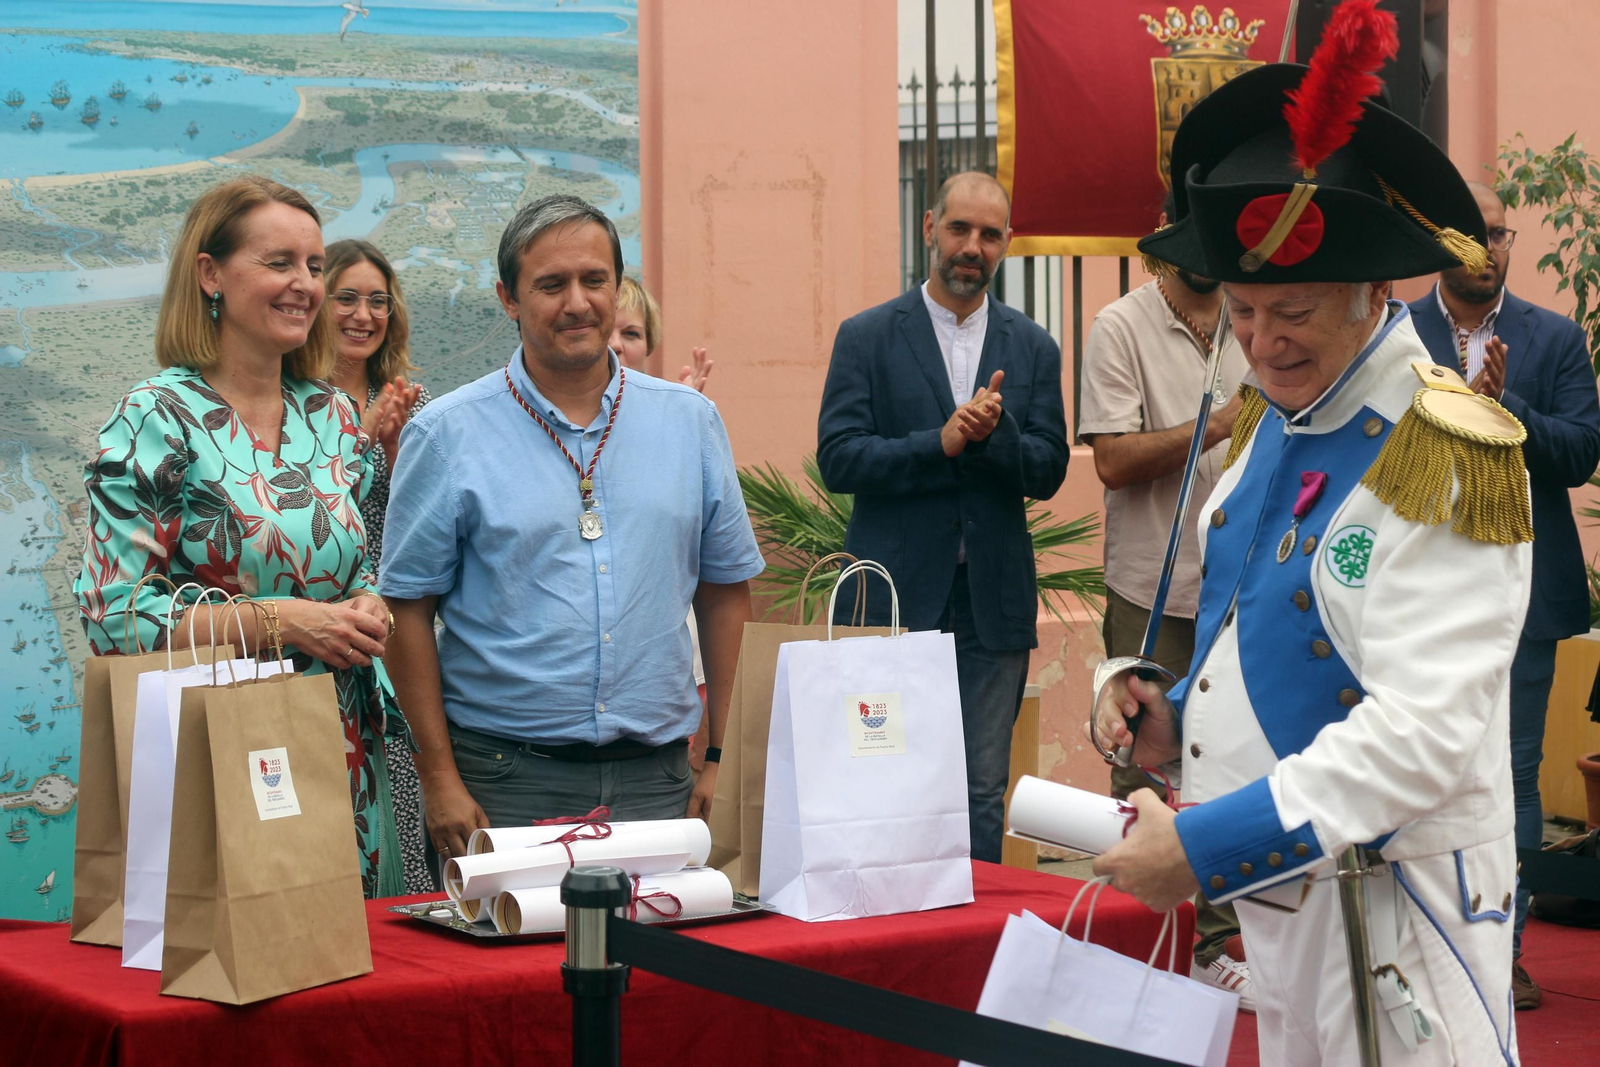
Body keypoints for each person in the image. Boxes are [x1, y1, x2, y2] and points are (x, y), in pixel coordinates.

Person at [1092, 12, 1531, 1061]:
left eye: (1290, 309)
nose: (1261, 341)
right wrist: (1166, 707)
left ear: (1371, 287)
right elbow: (1269, 640)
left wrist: (1206, 842)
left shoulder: (1444, 448)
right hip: (1291, 898)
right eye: (1241, 312)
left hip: (1401, 911)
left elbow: (1421, 729)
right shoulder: (1265, 432)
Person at [379, 195, 764, 865]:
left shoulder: (689, 423)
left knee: (660, 971)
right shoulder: (446, 435)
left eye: (594, 280)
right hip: (502, 782)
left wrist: (722, 757)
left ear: (619, 287)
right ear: (508, 297)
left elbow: (725, 591)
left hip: (660, 783)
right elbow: (406, 612)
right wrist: (437, 776)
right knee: (511, 971)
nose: (577, 303)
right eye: (551, 284)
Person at [74, 175, 408, 898]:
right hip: (218, 758)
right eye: (280, 262)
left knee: (356, 987)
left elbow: (343, 563)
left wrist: (364, 604)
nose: (305, 285)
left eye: (315, 267)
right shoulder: (156, 417)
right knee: (247, 966)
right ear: (210, 275)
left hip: (344, 753)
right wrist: (284, 622)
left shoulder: (331, 415)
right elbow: (114, 615)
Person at [816, 170, 1070, 864]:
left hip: (992, 606)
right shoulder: (866, 337)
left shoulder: (1033, 348)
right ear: (929, 227)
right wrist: (941, 442)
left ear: (1006, 245)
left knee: (982, 790)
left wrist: (996, 435)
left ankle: (972, 948)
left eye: (989, 235)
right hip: (894, 600)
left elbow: (1049, 468)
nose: (972, 246)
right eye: (960, 229)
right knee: (883, 784)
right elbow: (839, 458)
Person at [1407, 181, 1600, 1009]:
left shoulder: (1552, 340)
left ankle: (1504, 949)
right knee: (1422, 772)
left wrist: (1504, 404)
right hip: (1415, 593)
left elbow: (1582, 452)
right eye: (1475, 234)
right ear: (1445, 244)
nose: (1491, 249)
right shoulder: (1394, 331)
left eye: (1501, 234)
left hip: (1520, 594)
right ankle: (1420, 944)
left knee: (1513, 777)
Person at [1077, 194, 1252, 1008]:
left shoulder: (1252, 320)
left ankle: (1213, 942)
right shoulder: (1120, 326)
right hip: (1153, 589)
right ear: (1166, 237)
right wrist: (1212, 426)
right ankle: (1139, 936)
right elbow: (1111, 460)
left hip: (1240, 592)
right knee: (1142, 768)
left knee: (1226, 767)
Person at [323, 238, 434, 895]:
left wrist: (394, 448)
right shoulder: (285, 403)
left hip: (396, 638)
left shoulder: (413, 404)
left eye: (377, 301)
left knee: (403, 805)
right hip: (317, 643)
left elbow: (423, 530)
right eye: (347, 297)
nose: (363, 314)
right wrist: (361, 442)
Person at [609, 276, 712, 767]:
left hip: (675, 676)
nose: (617, 346)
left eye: (631, 333)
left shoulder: (684, 420)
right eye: (608, 331)